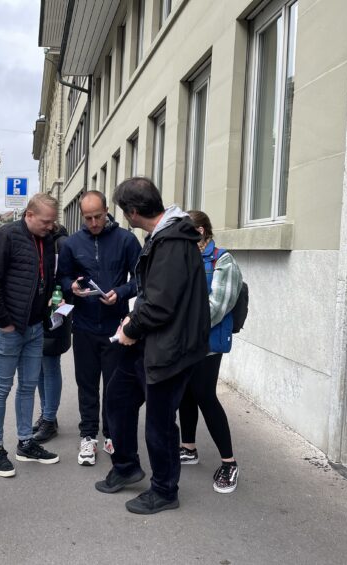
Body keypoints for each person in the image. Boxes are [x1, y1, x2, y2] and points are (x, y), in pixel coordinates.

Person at [100, 177, 209, 515]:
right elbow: (153, 294)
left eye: (123, 211)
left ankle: (164, 490)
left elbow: (161, 304)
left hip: (170, 348)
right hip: (150, 342)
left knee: (159, 422)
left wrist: (131, 327)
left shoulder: (173, 241)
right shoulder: (162, 237)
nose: (123, 218)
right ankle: (127, 466)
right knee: (117, 400)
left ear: (133, 212)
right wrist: (131, 324)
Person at [56, 191, 141, 465]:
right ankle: (88, 436)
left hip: (116, 327)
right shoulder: (71, 243)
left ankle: (112, 435)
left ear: (107, 210)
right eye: (88, 217)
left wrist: (121, 291)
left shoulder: (126, 240)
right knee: (87, 383)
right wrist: (73, 287)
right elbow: (64, 278)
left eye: (98, 216)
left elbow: (141, 279)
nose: (93, 222)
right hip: (83, 325)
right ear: (82, 215)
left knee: (115, 385)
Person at [0, 192, 60, 477]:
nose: (50, 226)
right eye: (45, 221)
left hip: (35, 327)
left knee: (27, 387)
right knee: (1, 388)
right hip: (9, 329)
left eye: (52, 222)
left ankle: (25, 443)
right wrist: (3, 321)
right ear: (28, 215)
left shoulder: (47, 240)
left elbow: (46, 278)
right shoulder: (6, 236)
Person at [178, 210, 243, 493]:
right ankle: (188, 448)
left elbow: (218, 305)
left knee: (205, 395)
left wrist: (186, 327)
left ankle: (229, 463)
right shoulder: (186, 257)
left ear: (201, 231)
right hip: (184, 340)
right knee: (186, 393)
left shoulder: (222, 260)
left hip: (205, 343)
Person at [32, 223, 71, 443]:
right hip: (40, 314)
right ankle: (47, 416)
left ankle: (49, 418)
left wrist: (62, 294)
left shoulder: (61, 243)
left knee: (50, 365)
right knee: (39, 367)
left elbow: (71, 278)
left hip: (56, 312)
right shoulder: (41, 240)